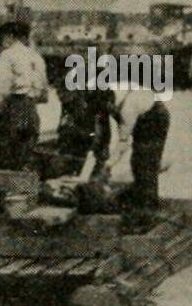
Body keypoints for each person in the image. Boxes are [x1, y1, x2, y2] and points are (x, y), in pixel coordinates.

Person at [0, 20, 47, 173]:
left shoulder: (7, 55)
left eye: (1, 39)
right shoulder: (36, 56)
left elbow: (5, 88)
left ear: (9, 36)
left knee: (0, 153)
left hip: (14, 109)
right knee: (23, 155)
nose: (1, 44)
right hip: (32, 111)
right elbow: (44, 95)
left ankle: (3, 191)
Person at [105, 83, 169, 217]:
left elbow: (123, 142)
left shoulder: (127, 108)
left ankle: (148, 209)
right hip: (145, 111)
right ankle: (145, 199)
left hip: (155, 117)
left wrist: (108, 164)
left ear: (111, 104)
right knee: (138, 161)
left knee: (144, 162)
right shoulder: (115, 94)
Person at [53, 82, 112, 179]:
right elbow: (64, 120)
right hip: (80, 133)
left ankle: (97, 175)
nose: (59, 96)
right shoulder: (68, 102)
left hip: (92, 129)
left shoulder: (93, 99)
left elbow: (100, 128)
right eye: (58, 93)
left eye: (62, 93)